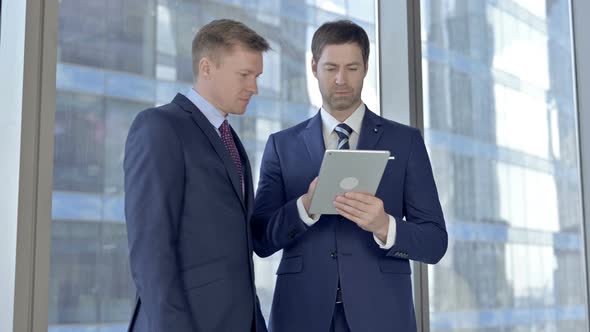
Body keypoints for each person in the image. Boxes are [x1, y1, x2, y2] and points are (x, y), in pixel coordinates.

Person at [252, 20, 447, 332]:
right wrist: (304, 208)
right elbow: (260, 238)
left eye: (352, 68)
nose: (341, 79)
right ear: (314, 66)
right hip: (301, 314)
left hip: (382, 315)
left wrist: (385, 226)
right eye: (331, 68)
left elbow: (435, 242)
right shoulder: (281, 145)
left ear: (366, 68)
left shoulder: (405, 142)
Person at [124, 19, 270, 332]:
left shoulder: (230, 140)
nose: (254, 88)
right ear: (207, 68)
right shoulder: (159, 127)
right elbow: (151, 252)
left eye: (256, 77)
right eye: (244, 75)